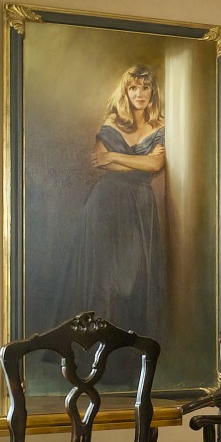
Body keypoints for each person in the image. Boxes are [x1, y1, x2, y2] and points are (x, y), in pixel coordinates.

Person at [77, 62, 169, 336]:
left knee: (134, 276)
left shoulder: (161, 125)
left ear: (153, 92)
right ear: (125, 92)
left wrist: (116, 155)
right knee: (104, 278)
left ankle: (129, 344)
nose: (140, 94)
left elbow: (156, 165)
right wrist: (141, 162)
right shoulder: (113, 121)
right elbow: (99, 161)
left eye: (145, 88)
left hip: (140, 205)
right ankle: (100, 342)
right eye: (134, 88)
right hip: (105, 203)